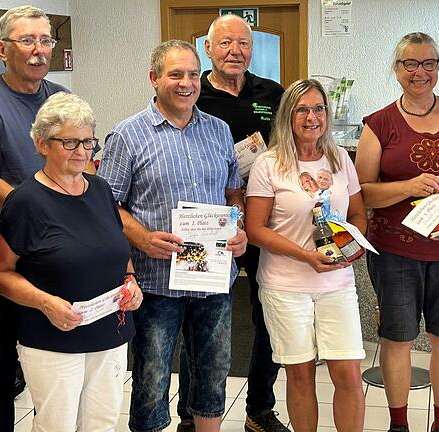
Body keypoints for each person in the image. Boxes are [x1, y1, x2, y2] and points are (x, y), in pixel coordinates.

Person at [98, 40, 248, 432]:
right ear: (154, 78)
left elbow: (233, 192)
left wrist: (239, 227)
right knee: (151, 379)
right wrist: (144, 238)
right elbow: (106, 205)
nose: (187, 83)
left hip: (213, 279)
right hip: (156, 280)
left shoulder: (219, 131)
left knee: (212, 373)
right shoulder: (127, 136)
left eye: (194, 74)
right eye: (175, 74)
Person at [354, 32, 439, 432]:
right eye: (410, 64)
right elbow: (362, 194)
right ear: (396, 70)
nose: (420, 72)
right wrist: (407, 187)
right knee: (397, 340)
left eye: (428, 63)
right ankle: (399, 424)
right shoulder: (378, 124)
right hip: (395, 251)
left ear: (438, 68)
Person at [0, 92, 142, 431]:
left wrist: (131, 281)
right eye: (70, 142)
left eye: (88, 142)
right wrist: (46, 303)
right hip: (53, 337)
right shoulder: (25, 202)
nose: (82, 152)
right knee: (57, 425)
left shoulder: (101, 190)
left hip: (109, 333)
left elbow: (117, 250)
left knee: (101, 423)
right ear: (42, 144)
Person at [176, 14, 287, 432]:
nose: (234, 51)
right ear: (208, 49)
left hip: (263, 221)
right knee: (198, 320)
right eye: (224, 44)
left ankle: (259, 409)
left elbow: (286, 149)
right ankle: (191, 414)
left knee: (268, 316)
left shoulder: (272, 93)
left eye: (242, 43)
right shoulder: (191, 92)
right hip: (204, 224)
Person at [0, 6, 86, 430]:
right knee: (2, 370)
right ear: (2, 49)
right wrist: (43, 208)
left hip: (58, 252)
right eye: (28, 41)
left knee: (57, 361)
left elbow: (82, 163)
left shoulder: (62, 100)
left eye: (45, 40)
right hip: (9, 250)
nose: (38, 51)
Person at [246, 79, 367, 432]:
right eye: (302, 110)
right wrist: (305, 255)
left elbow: (358, 214)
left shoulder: (340, 157)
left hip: (337, 282)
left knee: (348, 371)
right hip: (286, 285)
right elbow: (256, 229)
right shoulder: (269, 164)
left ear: (327, 115)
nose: (311, 117)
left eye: (318, 109)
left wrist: (353, 246)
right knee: (300, 374)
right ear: (288, 116)